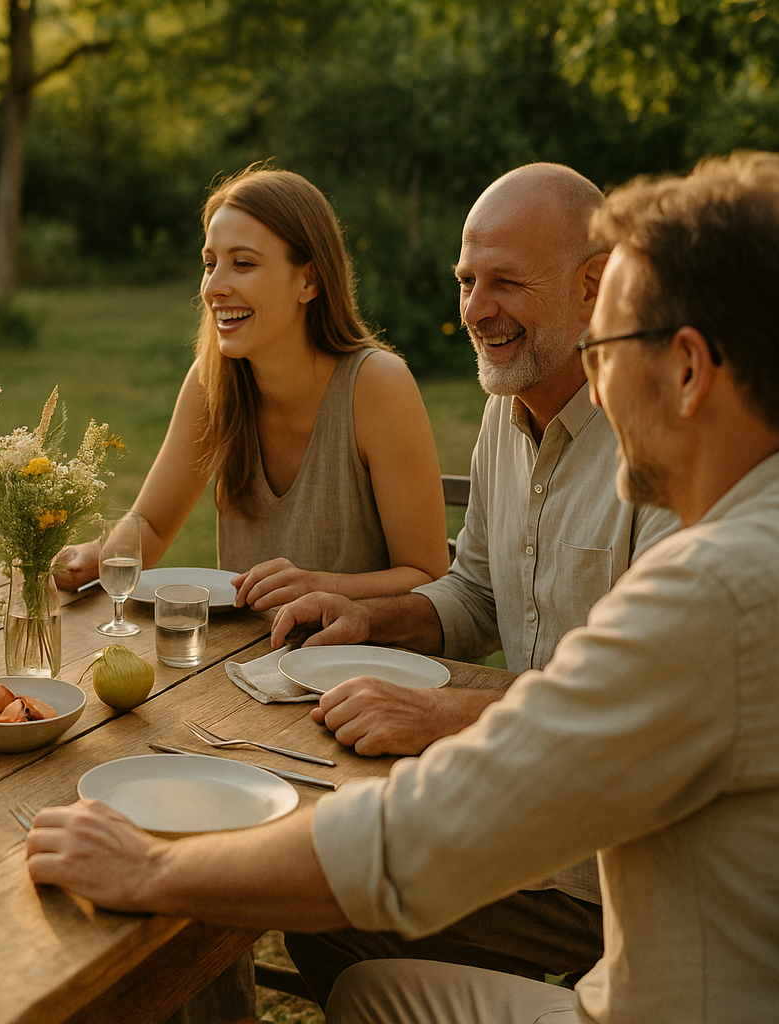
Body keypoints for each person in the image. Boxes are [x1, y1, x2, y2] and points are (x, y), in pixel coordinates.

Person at [23, 151, 779, 1022]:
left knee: (342, 934)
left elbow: (419, 843)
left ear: (690, 368)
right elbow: (474, 591)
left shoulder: (715, 590)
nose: (601, 378)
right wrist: (368, 612)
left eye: (612, 348)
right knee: (374, 984)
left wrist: (153, 868)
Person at [266, 163, 679, 1001]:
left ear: (593, 286)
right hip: (511, 794)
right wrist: (366, 615)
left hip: (609, 860)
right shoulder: (509, 404)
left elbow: (655, 711)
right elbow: (477, 595)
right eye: (466, 281)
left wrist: (446, 715)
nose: (476, 311)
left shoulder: (664, 441)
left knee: (328, 904)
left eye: (506, 284)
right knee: (313, 853)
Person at [54, 166, 449, 611]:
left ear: (309, 281)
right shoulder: (213, 380)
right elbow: (152, 524)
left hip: (360, 668)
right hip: (245, 663)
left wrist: (319, 587)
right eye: (209, 264)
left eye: (242, 263)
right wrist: (98, 556)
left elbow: (429, 578)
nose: (213, 288)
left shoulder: (377, 385)